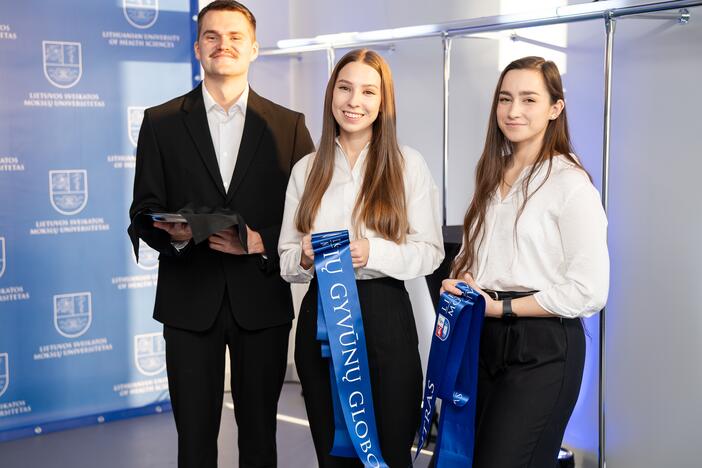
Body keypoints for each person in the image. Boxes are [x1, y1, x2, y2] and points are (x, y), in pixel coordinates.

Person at [127, 1, 314, 467]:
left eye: (234, 37)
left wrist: (258, 239)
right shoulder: (161, 121)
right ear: (197, 48)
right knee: (193, 442)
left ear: (254, 48)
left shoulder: (290, 126)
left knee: (259, 439)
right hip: (189, 302)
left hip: (261, 302)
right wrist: (175, 233)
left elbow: (310, 218)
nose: (223, 45)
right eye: (212, 36)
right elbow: (142, 211)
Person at [278, 48, 444, 467]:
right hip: (322, 319)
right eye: (345, 88)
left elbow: (430, 253)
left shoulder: (409, 166)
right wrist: (303, 256)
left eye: (369, 91)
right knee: (334, 452)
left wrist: (375, 251)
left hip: (385, 312)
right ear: (331, 93)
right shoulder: (306, 170)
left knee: (388, 452)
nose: (355, 101)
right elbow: (284, 262)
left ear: (383, 101)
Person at [441, 56, 609, 468]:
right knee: (466, 459)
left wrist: (503, 306)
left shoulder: (569, 183)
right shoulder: (490, 174)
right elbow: (475, 254)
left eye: (529, 99)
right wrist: (461, 278)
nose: (513, 111)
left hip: (543, 347)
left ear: (555, 108)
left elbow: (590, 290)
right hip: (484, 337)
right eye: (505, 98)